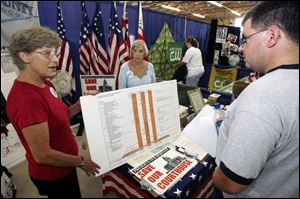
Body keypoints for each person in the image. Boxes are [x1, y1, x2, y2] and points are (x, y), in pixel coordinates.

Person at [213, 1, 299, 197]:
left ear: (271, 36)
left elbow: (231, 181)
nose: (241, 49)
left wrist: (215, 174)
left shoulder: (264, 96)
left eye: (245, 39)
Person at [6, 26, 100, 198]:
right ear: (24, 56)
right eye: (47, 53)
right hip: (53, 174)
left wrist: (80, 104)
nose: (56, 59)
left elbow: (61, 117)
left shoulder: (45, 82)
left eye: (55, 53)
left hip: (66, 164)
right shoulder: (26, 99)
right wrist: (80, 161)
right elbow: (43, 155)